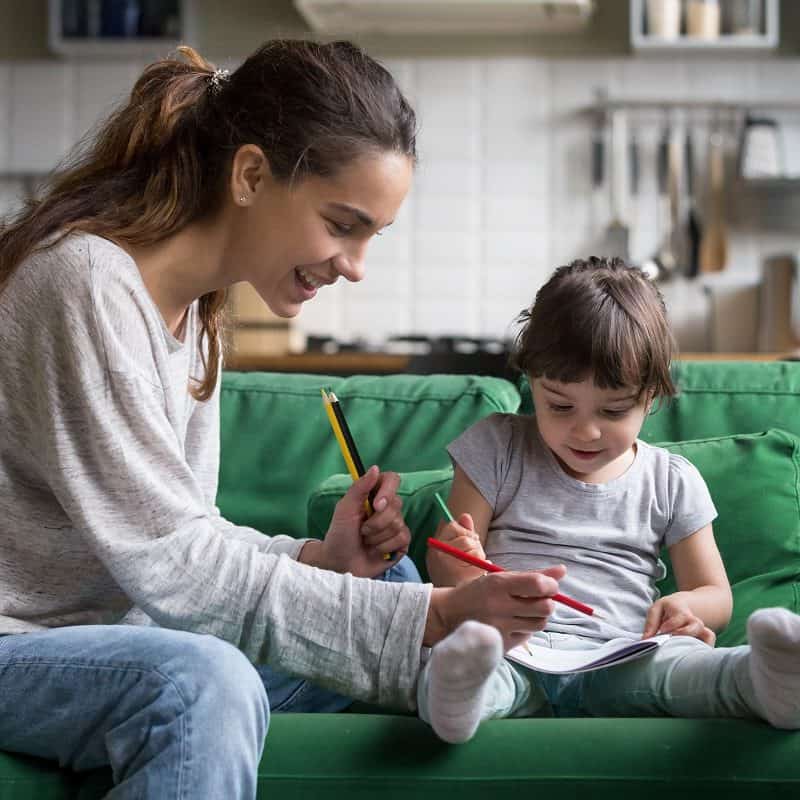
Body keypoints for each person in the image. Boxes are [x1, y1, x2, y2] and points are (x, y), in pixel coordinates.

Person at [0, 41, 564, 798]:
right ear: (252, 174)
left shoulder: (197, 316)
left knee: (389, 584)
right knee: (205, 683)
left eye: (371, 236)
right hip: (20, 644)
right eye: (343, 224)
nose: (356, 264)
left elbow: (182, 531)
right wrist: (427, 618)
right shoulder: (86, 285)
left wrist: (319, 560)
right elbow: (174, 562)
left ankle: (614, 672)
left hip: (114, 637)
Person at [419, 256, 800, 744]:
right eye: (558, 405)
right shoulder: (497, 447)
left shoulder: (671, 480)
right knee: (465, 659)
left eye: (615, 410)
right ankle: (453, 700)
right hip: (515, 646)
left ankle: (766, 684)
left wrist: (687, 607)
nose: (586, 430)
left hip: (623, 654)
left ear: (652, 396)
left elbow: (716, 595)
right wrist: (453, 563)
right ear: (532, 380)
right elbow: (457, 572)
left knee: (687, 671)